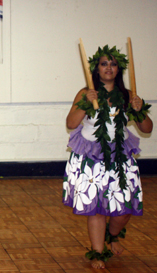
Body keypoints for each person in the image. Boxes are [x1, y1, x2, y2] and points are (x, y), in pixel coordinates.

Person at [63, 45, 153, 269]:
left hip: (120, 157)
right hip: (91, 156)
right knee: (97, 207)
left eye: (113, 64)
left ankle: (112, 236)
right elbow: (70, 123)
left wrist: (139, 110)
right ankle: (97, 253)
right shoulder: (85, 93)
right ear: (96, 69)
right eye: (104, 64)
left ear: (119, 68)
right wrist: (85, 104)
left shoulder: (128, 96)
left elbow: (147, 129)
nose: (109, 68)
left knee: (124, 209)